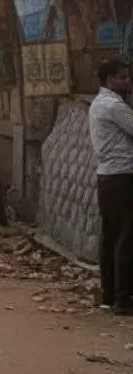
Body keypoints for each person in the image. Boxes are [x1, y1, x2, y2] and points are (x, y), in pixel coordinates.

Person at [89, 58, 133, 314]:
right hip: (122, 176)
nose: (127, 82)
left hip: (107, 177)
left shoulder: (98, 103)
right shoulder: (113, 105)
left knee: (111, 237)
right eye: (122, 77)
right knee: (126, 237)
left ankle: (109, 295)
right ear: (109, 80)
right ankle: (123, 298)